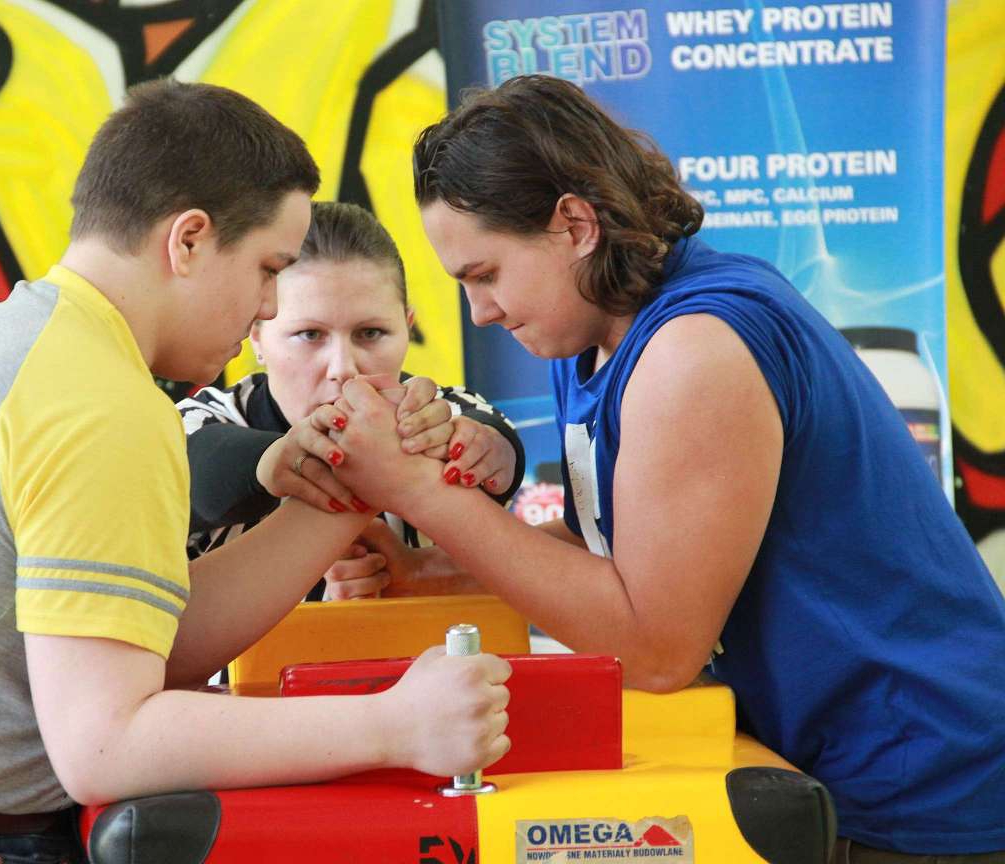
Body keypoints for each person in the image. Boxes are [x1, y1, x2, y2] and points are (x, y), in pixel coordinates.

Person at [0, 80, 511, 864]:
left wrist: (352, 488)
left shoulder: (30, 342)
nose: (268, 307)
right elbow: (106, 745)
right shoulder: (100, 399)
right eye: (268, 268)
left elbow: (153, 642)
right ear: (187, 241)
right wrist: (396, 724)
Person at [323, 74, 1005, 861]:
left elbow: (655, 649)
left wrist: (418, 492)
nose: (480, 311)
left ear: (575, 225)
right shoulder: (591, 335)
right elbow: (623, 562)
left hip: (931, 786)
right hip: (847, 770)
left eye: (486, 275)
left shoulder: (695, 347)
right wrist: (430, 572)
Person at [179, 200, 523, 601]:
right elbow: (193, 470)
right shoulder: (201, 420)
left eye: (370, 333)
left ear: (407, 328)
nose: (343, 368)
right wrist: (279, 459)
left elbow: (499, 445)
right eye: (310, 335)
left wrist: (482, 449)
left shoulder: (442, 415)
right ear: (257, 336)